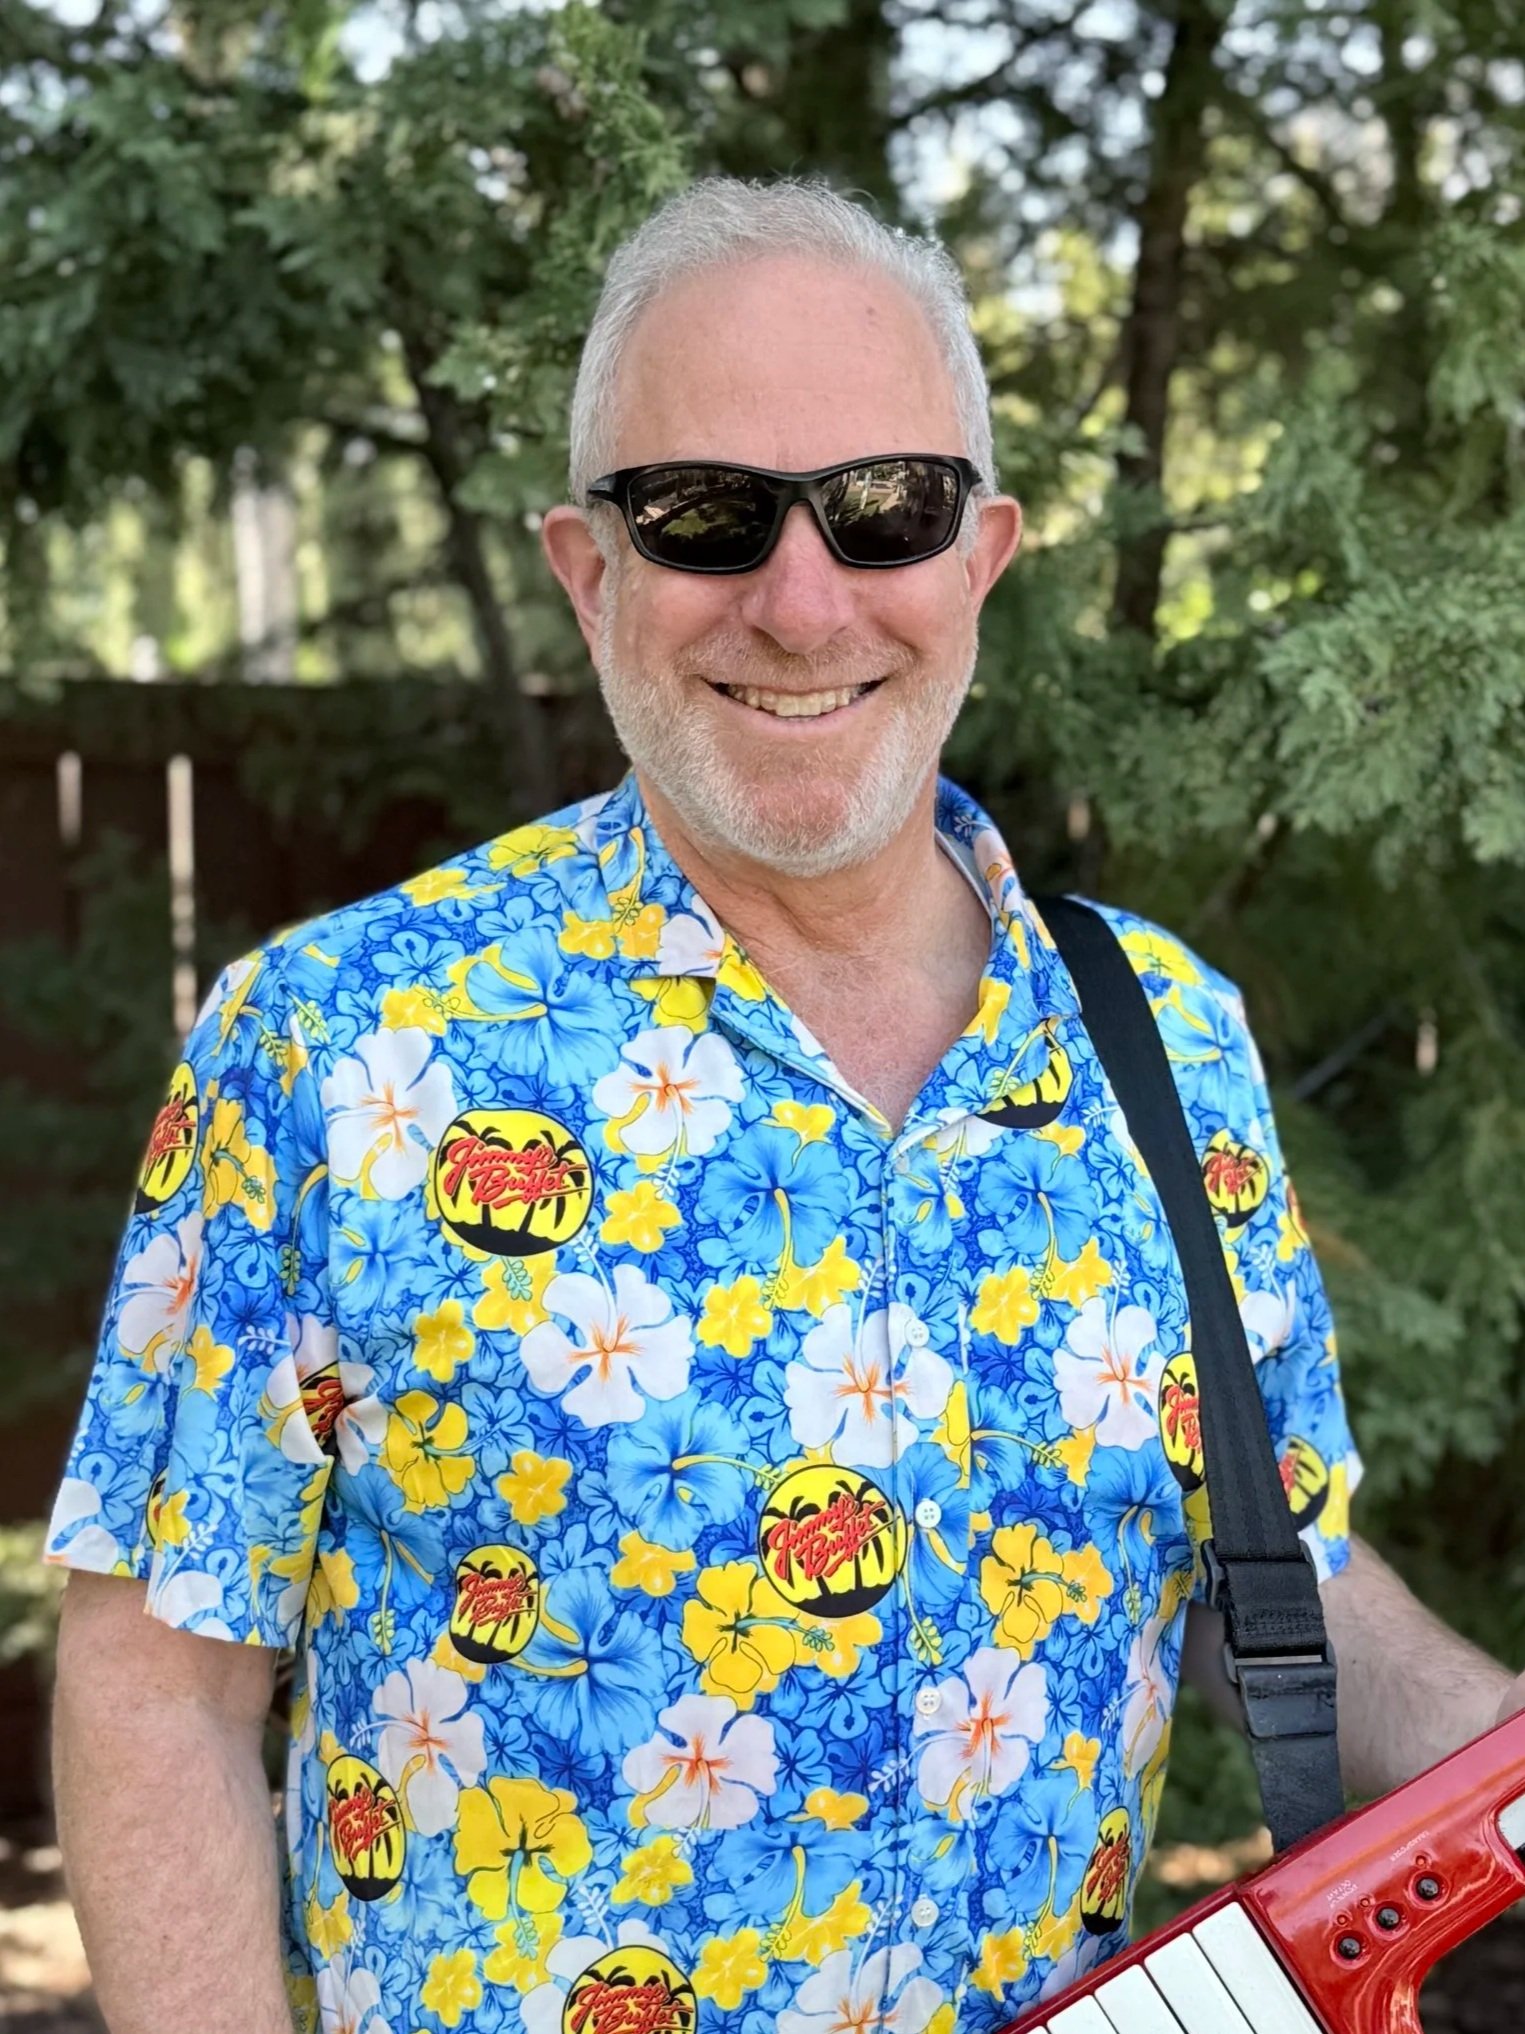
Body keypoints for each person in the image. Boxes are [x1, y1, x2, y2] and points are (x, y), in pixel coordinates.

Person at [44, 177, 1521, 2034]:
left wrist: (1509, 1760)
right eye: (704, 517)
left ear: (977, 555)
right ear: (591, 571)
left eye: (881, 509)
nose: (802, 600)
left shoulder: (1168, 1041)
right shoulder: (334, 1049)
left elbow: (1270, 1574)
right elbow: (158, 1683)